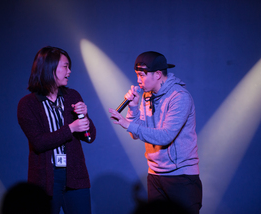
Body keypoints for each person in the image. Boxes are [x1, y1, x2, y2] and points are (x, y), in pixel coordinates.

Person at [109, 51, 202, 214]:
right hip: (154, 174)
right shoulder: (147, 96)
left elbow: (165, 136)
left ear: (158, 74)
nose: (138, 80)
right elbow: (136, 134)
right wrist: (132, 109)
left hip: (180, 176)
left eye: (142, 75)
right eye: (137, 75)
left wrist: (126, 123)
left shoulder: (179, 97)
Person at [17, 46, 96, 214]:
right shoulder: (28, 104)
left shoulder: (72, 96)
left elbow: (90, 137)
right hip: (46, 179)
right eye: (65, 66)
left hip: (76, 174)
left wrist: (84, 116)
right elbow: (39, 142)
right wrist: (70, 128)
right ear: (49, 68)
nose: (70, 71)